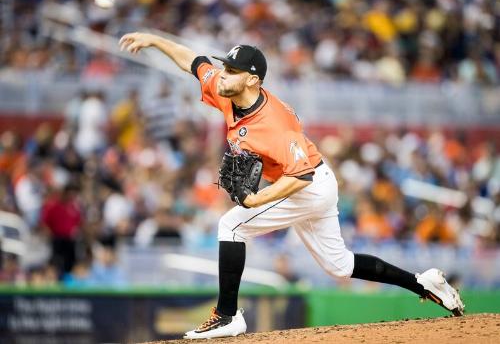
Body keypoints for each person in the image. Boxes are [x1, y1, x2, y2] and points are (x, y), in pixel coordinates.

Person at [119, 33, 464, 339]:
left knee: (232, 225)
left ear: (252, 80)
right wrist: (153, 40)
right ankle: (421, 282)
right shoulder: (226, 91)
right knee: (340, 265)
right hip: (312, 180)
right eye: (225, 67)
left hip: (309, 185)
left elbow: (301, 176)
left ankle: (226, 316)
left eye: (233, 70)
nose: (223, 74)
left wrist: (256, 200)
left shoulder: (276, 125)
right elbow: (194, 62)